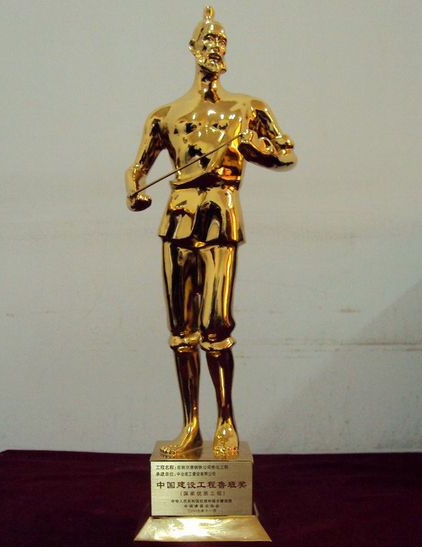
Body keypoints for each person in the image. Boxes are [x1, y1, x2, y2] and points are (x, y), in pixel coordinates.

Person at [126, 7, 297, 457]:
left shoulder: (247, 108)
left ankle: (226, 421)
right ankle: (191, 427)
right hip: (178, 218)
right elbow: (137, 168)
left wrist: (248, 146)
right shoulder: (165, 115)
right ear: (193, 48)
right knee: (181, 332)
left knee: (215, 326)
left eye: (220, 42)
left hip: (220, 217)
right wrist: (134, 190)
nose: (214, 48)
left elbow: (285, 154)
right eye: (208, 41)